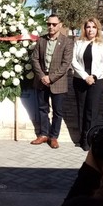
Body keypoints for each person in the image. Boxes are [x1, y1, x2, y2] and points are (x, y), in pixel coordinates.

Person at [30, 14, 74, 149]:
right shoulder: (41, 40)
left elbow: (66, 64)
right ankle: (43, 134)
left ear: (60, 25)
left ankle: (53, 136)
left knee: (57, 111)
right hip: (42, 81)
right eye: (49, 24)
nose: (51, 27)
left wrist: (51, 77)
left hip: (57, 82)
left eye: (54, 24)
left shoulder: (67, 42)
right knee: (42, 109)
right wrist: (42, 76)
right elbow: (34, 59)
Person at [71, 17, 103, 148]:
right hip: (80, 80)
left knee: (92, 110)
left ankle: (89, 139)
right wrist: (85, 76)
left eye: (94, 27)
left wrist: (93, 76)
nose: (91, 30)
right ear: (84, 29)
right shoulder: (78, 43)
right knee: (81, 109)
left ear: (97, 29)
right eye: (88, 27)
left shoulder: (102, 44)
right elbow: (73, 61)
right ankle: (82, 139)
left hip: (96, 81)